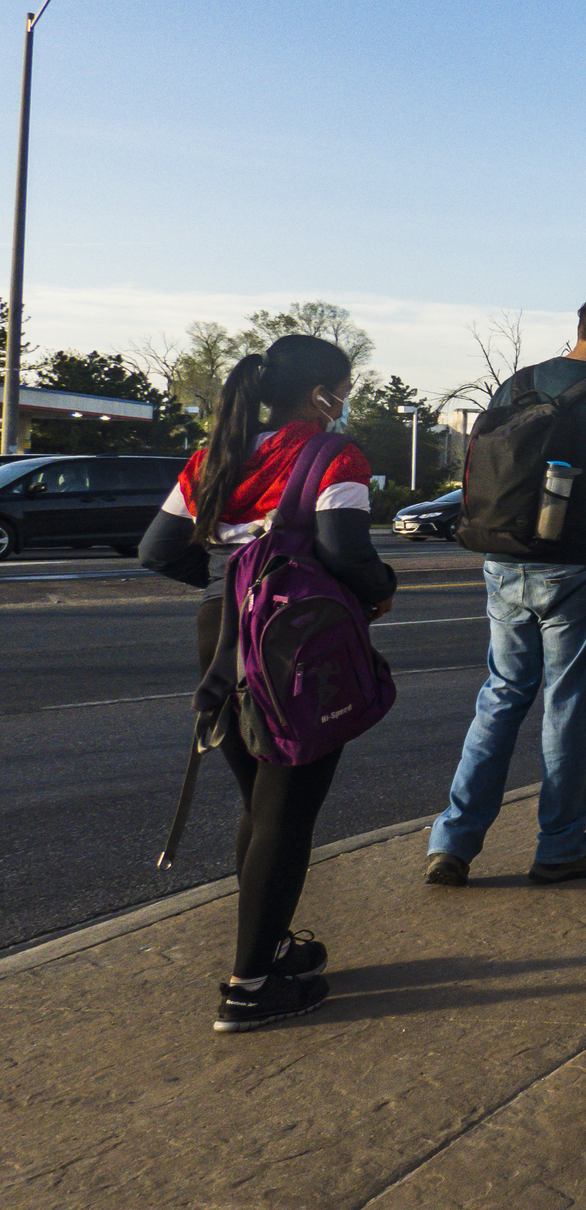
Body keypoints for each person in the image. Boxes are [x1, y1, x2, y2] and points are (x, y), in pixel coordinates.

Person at [137, 336, 393, 1032]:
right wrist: (381, 589)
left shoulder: (216, 455)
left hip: (218, 636)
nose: (346, 399)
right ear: (321, 393)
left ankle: (271, 944)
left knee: (260, 803)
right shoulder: (332, 455)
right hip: (293, 643)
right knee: (287, 812)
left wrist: (228, 578)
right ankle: (250, 986)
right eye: (344, 387)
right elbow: (345, 550)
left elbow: (157, 548)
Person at [426, 294, 586, 889]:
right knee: (568, 704)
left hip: (502, 557)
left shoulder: (518, 385)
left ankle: (452, 842)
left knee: (501, 694)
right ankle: (560, 845)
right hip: (576, 567)